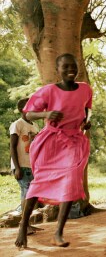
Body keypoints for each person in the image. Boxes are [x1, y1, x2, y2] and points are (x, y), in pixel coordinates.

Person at [15, 53, 92, 248]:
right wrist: (46, 113)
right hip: (50, 141)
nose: (70, 70)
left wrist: (86, 121)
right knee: (38, 182)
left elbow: (86, 110)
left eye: (73, 66)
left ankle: (58, 233)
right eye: (65, 67)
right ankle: (23, 226)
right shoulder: (48, 91)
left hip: (73, 140)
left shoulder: (85, 89)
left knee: (71, 178)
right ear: (57, 71)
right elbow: (29, 113)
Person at [9, 98, 42, 235]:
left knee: (32, 195)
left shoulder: (35, 126)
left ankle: (27, 223)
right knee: (27, 194)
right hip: (21, 166)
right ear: (24, 109)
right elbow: (12, 146)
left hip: (33, 166)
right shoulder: (17, 124)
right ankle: (24, 225)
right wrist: (17, 167)